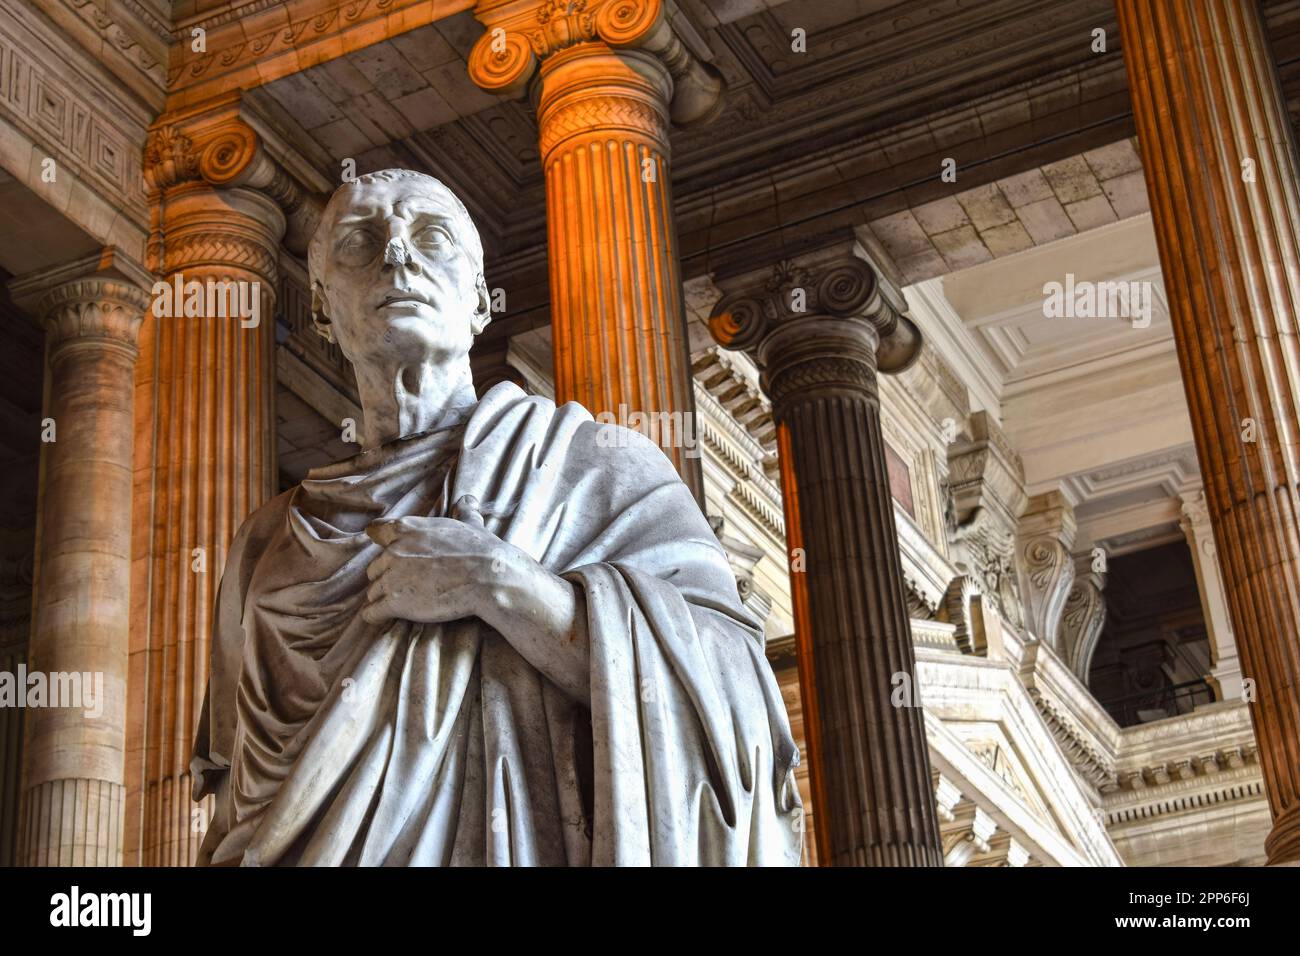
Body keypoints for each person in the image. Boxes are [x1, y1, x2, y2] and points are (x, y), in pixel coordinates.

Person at [190, 169, 802, 866]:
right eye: (361, 241)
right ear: (324, 310)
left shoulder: (594, 466)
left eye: (432, 236)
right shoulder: (265, 542)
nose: (397, 254)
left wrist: (499, 584)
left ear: (480, 301)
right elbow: (230, 794)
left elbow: (739, 703)